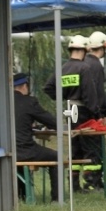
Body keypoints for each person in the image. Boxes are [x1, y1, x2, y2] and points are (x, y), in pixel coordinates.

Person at [43, 34, 98, 193]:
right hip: (83, 111)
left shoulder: (62, 68)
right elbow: (89, 94)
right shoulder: (84, 68)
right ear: (84, 51)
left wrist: (61, 97)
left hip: (69, 110)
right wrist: (95, 113)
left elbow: (48, 88)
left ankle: (73, 185)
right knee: (89, 147)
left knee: (74, 148)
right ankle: (92, 182)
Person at [13, 73, 59, 202]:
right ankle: (57, 198)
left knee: (20, 164)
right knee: (55, 156)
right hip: (25, 150)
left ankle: (21, 197)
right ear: (24, 86)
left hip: (7, 151)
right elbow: (51, 122)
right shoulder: (30, 102)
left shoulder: (2, 102)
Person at [80, 30, 106, 190]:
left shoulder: (82, 62)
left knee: (78, 149)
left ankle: (75, 184)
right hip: (92, 115)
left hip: (77, 113)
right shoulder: (96, 65)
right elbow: (99, 93)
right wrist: (104, 114)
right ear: (104, 47)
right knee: (94, 148)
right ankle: (93, 182)